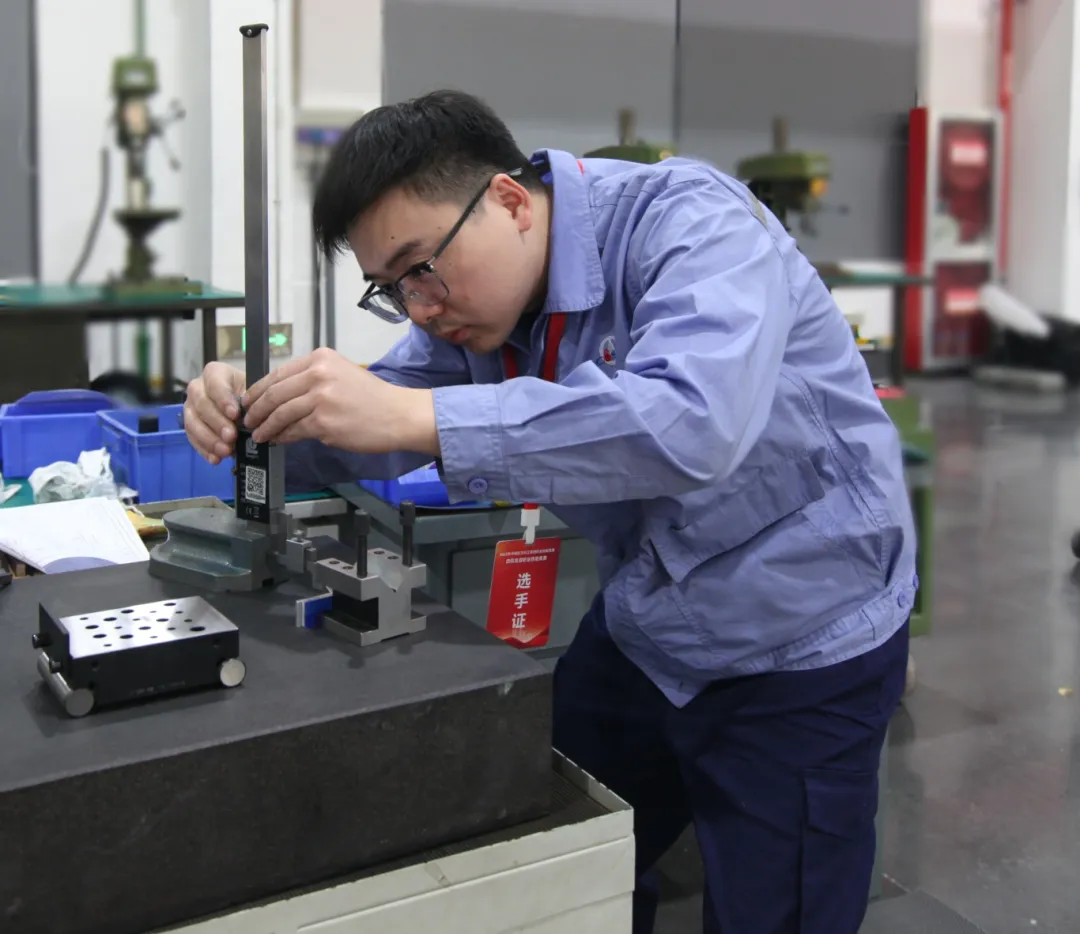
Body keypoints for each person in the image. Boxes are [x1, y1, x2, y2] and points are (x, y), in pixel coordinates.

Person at [183, 90, 916, 934]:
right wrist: (258, 421)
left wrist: (417, 417)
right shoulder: (476, 316)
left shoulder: (691, 224)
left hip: (800, 637)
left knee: (776, 910)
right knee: (564, 866)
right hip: (651, 622)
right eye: (391, 290)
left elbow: (690, 425)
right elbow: (384, 418)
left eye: (423, 268)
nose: (419, 308)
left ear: (509, 200)